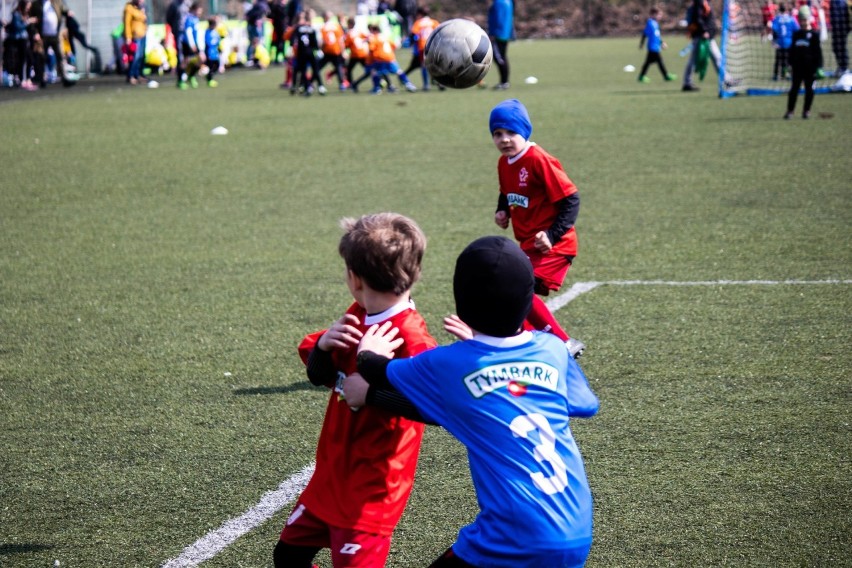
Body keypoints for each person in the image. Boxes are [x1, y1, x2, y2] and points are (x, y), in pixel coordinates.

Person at [343, 234, 599, 568]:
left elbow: (379, 370)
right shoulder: (552, 349)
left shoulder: (451, 362)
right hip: (575, 530)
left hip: (511, 536)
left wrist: (367, 356)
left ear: (462, 300)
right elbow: (585, 404)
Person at [272, 212, 437, 568]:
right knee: (287, 557)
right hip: (329, 480)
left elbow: (436, 408)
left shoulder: (413, 339)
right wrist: (323, 348)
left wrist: (372, 393)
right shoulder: (357, 314)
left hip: (371, 494)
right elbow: (320, 376)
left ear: (355, 277)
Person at [489, 99, 586, 358]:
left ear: (525, 131)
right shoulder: (504, 162)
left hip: (555, 245)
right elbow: (506, 190)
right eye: (498, 134)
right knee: (510, 296)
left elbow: (571, 199)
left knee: (517, 288)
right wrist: (503, 210)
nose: (504, 139)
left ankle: (563, 343)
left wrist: (552, 235)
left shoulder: (539, 159)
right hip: (528, 245)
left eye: (511, 132)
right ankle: (533, 348)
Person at [785, 6, 823, 118]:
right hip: (797, 67)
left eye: (805, 19)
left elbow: (818, 53)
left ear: (809, 19)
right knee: (794, 89)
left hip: (810, 68)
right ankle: (790, 111)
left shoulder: (814, 35)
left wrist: (819, 67)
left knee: (809, 89)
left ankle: (806, 110)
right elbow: (792, 50)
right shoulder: (797, 34)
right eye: (801, 19)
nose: (803, 22)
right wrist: (788, 64)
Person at [31, 0, 74, 87]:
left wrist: (68, 12)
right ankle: (42, 79)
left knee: (60, 56)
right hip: (43, 36)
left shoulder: (56, 2)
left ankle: (64, 78)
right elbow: (33, 20)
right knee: (42, 57)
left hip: (55, 35)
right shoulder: (36, 4)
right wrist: (35, 32)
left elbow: (63, 9)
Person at [681, 0, 722, 91]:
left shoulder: (706, 2)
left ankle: (687, 82)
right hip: (702, 37)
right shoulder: (699, 2)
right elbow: (698, 18)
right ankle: (726, 80)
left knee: (716, 58)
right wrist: (704, 31)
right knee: (716, 58)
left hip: (707, 36)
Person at [366, 22, 417, 94]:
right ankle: (408, 84)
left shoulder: (374, 38)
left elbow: (371, 49)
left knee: (374, 72)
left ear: (374, 30)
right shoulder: (385, 37)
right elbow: (394, 46)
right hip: (390, 57)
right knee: (398, 71)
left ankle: (377, 89)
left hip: (380, 58)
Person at [402, 6, 442, 90]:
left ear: (420, 14)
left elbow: (413, 35)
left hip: (423, 46)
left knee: (424, 65)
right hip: (434, 46)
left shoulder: (418, 23)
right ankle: (440, 83)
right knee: (435, 65)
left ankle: (426, 85)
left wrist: (409, 43)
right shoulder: (434, 22)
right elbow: (440, 33)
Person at [637, 6, 676, 83]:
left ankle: (641, 76)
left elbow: (656, 36)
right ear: (653, 14)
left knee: (648, 62)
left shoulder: (655, 23)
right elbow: (644, 34)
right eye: (659, 15)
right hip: (652, 47)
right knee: (660, 61)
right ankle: (666, 76)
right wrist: (641, 44)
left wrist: (661, 42)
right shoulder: (650, 23)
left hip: (655, 46)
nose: (660, 16)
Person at [488, 0, 514, 90]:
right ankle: (504, 82)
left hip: (498, 34)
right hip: (505, 33)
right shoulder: (508, 1)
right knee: (502, 57)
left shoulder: (499, 2)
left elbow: (498, 19)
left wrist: (493, 33)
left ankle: (504, 82)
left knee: (498, 57)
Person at [318, 11, 347, 90]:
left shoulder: (323, 27)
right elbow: (341, 40)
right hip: (335, 50)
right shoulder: (336, 26)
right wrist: (343, 51)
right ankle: (342, 84)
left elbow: (321, 41)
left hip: (327, 51)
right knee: (338, 67)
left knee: (318, 67)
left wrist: (320, 50)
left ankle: (309, 83)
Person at [166, 0, 189, 88]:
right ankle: (181, 78)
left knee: (188, 56)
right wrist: (175, 28)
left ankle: (189, 75)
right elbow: (169, 18)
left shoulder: (187, 3)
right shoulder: (174, 5)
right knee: (180, 56)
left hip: (187, 33)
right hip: (178, 33)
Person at [123, 0, 147, 85]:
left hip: (142, 35)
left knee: (141, 56)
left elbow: (143, 20)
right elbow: (126, 23)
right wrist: (128, 37)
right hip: (134, 37)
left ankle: (139, 75)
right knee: (135, 57)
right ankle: (131, 75)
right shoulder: (129, 8)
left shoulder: (141, 8)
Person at [180, 2, 204, 88]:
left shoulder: (195, 19)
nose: (200, 13)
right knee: (186, 61)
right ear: (194, 10)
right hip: (188, 43)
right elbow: (188, 32)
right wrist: (192, 44)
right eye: (198, 11)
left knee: (202, 59)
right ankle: (180, 80)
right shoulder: (189, 19)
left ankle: (191, 76)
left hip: (195, 43)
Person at [771, 4, 798, 80]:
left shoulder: (777, 18)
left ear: (779, 10)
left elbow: (774, 30)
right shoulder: (791, 19)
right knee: (790, 59)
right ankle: (789, 74)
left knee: (778, 60)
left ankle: (776, 75)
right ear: (786, 10)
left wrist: (774, 41)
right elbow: (796, 29)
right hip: (789, 42)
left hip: (780, 42)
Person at [828, 0, 849, 75]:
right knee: (835, 47)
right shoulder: (833, 2)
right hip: (835, 29)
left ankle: (844, 67)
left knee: (842, 48)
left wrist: (847, 28)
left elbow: (847, 16)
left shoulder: (843, 3)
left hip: (842, 29)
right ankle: (840, 66)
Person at [204, 15, 221, 87]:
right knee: (211, 65)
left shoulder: (215, 32)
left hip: (215, 51)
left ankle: (209, 76)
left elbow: (218, 40)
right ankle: (209, 79)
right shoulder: (208, 32)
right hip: (210, 52)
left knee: (217, 65)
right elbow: (208, 42)